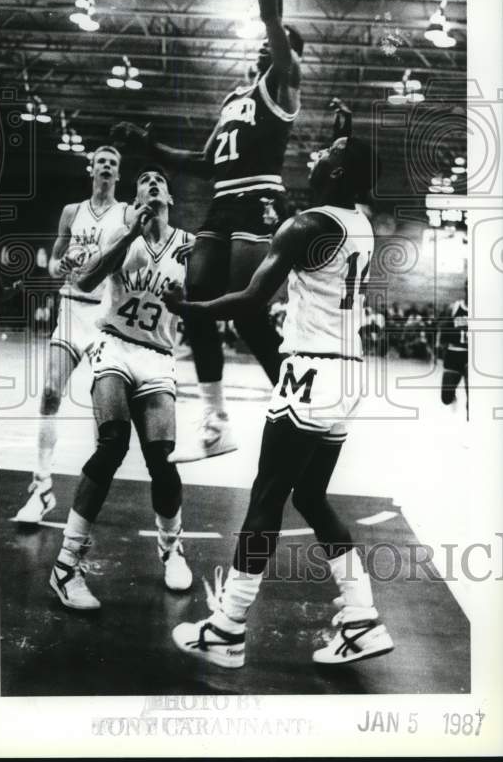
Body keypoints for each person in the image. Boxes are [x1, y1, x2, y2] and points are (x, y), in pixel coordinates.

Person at [162, 132, 394, 668]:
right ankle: (361, 618)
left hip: (311, 371)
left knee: (266, 498)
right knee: (310, 497)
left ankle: (227, 627)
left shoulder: (305, 226)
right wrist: (346, 133)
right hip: (350, 374)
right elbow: (353, 164)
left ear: (337, 174)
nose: (315, 157)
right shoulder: (358, 221)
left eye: (328, 154)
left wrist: (192, 308)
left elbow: (248, 302)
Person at [111, 0, 303, 462]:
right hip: (221, 204)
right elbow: (202, 161)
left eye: (277, 46)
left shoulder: (284, 83)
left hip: (259, 204)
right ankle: (217, 421)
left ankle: (296, 402)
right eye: (268, 47)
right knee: (194, 303)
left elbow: (272, 13)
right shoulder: (232, 98)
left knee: (245, 310)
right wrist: (148, 145)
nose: (265, 49)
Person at [49, 166, 194, 609]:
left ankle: (171, 548)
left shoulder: (188, 244)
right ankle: (66, 565)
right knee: (111, 445)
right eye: (143, 182)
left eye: (158, 181)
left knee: (162, 459)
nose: (151, 184)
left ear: (169, 194)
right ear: (136, 199)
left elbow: (206, 301)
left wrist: (185, 301)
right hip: (113, 347)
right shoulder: (124, 233)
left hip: (157, 356)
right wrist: (128, 235)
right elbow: (86, 281)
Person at [15, 146, 129, 524]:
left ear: (118, 173)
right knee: (49, 391)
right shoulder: (71, 212)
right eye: (102, 162)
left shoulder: (126, 213)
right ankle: (41, 486)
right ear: (91, 169)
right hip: (70, 308)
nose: (107, 168)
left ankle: (90, 499)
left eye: (113, 163)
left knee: (107, 418)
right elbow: (52, 269)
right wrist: (62, 263)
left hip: (103, 318)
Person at [439, 293, 468, 412]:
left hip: (471, 355)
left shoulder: (484, 308)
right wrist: (442, 346)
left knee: (472, 398)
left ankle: (471, 422)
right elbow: (444, 327)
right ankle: (452, 397)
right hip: (453, 354)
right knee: (446, 398)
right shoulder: (455, 307)